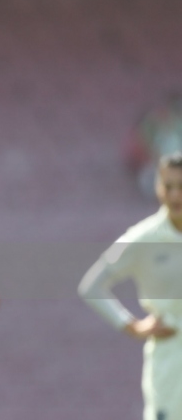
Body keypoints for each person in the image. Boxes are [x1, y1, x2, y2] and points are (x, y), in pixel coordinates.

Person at [79, 151, 182, 420]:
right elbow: (92, 286)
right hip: (171, 363)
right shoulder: (142, 238)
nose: (175, 196)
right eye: (168, 186)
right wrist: (132, 325)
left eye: (181, 187)